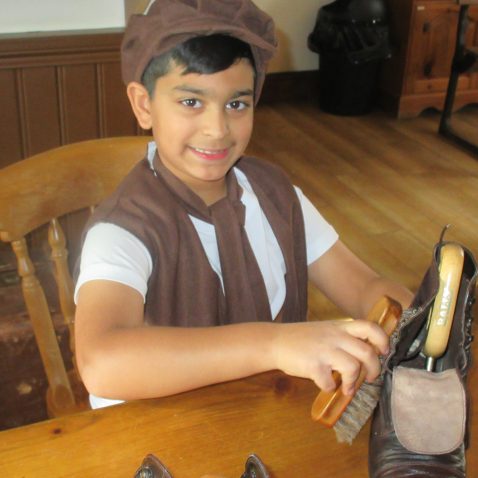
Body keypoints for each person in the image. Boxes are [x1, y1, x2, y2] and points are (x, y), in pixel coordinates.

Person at [74, 0, 413, 410]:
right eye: (191, 102)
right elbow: (101, 361)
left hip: (265, 415)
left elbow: (362, 286)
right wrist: (273, 344)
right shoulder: (123, 230)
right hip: (162, 442)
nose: (217, 129)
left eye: (236, 104)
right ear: (144, 105)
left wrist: (410, 317)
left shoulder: (274, 194)